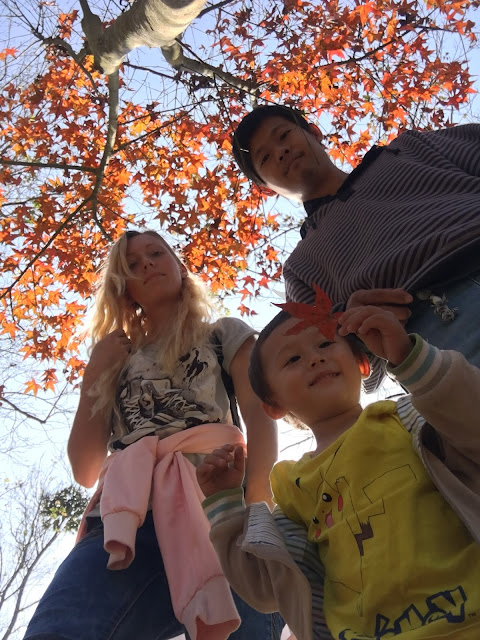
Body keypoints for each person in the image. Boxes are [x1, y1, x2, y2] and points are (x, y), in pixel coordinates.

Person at [24, 229, 283, 640]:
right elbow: (85, 467)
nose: (146, 263)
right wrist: (95, 372)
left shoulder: (223, 334)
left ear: (180, 267)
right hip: (125, 518)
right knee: (61, 628)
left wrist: (256, 505)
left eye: (156, 253)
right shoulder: (115, 359)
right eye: (132, 264)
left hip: (220, 505)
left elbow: (259, 414)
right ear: (123, 288)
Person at [197, 302, 480, 640]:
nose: (315, 358)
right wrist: (226, 507)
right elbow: (266, 588)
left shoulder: (410, 422)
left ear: (362, 363)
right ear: (274, 406)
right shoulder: (291, 488)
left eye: (326, 344)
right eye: (293, 360)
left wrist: (410, 360)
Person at [231, 105, 480, 390]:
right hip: (436, 335)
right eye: (265, 157)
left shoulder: (411, 148)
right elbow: (342, 368)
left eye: (285, 135)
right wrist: (348, 325)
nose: (281, 151)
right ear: (265, 188)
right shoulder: (301, 268)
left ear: (315, 132)